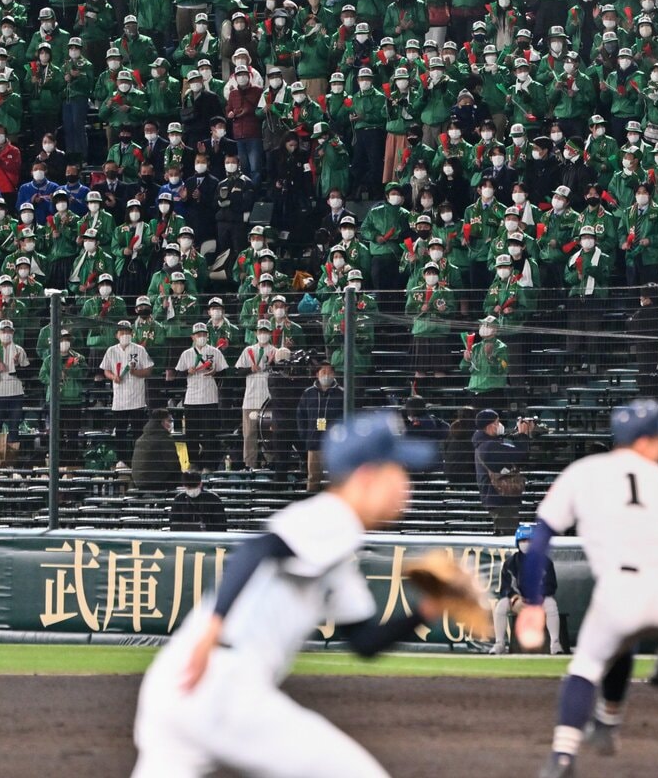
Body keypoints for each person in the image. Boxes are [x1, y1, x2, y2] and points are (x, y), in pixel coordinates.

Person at [131, 410, 446, 777]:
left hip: (174, 684)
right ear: (366, 477)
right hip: (221, 681)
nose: (407, 486)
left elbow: (364, 641)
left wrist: (429, 609)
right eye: (399, 471)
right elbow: (256, 549)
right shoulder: (330, 517)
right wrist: (216, 625)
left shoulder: (335, 547)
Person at [522, 400, 658, 778]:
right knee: (620, 642)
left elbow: (540, 539)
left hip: (623, 591)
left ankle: (562, 755)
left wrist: (532, 602)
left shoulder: (583, 472)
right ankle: (607, 723)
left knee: (587, 665)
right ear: (643, 442)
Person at [492, 523, 564, 655]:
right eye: (523, 540)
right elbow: (505, 588)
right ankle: (499, 643)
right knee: (501, 605)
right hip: (518, 602)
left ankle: (555, 643)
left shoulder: (546, 562)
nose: (526, 543)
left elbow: (551, 585)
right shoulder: (510, 563)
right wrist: (515, 599)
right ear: (517, 543)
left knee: (551, 604)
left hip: (539, 601)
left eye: (530, 540)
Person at [235, 319, 290, 470]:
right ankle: (249, 464)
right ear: (256, 333)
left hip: (269, 401)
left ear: (270, 333)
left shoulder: (276, 351)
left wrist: (272, 364)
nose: (263, 334)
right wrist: (249, 369)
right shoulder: (248, 351)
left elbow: (283, 373)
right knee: (249, 435)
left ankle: (270, 462)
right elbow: (238, 371)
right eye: (261, 331)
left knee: (270, 433)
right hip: (251, 399)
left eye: (266, 331)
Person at [174, 322, 229, 469]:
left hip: (210, 398)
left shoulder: (215, 352)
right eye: (199, 335)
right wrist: (188, 372)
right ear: (193, 337)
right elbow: (178, 376)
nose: (202, 337)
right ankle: (194, 462)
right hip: (191, 398)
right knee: (191, 435)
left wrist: (215, 371)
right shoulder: (186, 354)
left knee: (210, 434)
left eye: (204, 334)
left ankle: (209, 465)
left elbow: (224, 372)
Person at [100, 319, 156, 463]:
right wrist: (114, 377)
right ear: (116, 335)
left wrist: (137, 373)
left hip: (137, 399)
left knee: (138, 431)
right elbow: (106, 370)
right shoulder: (111, 351)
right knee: (120, 432)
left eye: (127, 332)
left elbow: (149, 369)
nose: (125, 334)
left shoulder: (139, 349)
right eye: (122, 332)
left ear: (132, 333)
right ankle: (122, 461)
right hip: (119, 400)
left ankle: (139, 460)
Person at [474, 408, 525, 534]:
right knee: (508, 538)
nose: (499, 425)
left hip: (496, 497)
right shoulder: (489, 446)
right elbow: (520, 455)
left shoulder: (485, 444)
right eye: (497, 422)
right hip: (500, 498)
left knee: (502, 537)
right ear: (490, 426)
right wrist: (523, 435)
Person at [296, 361, 343, 492]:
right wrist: (304, 435)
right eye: (323, 372)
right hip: (314, 442)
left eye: (329, 372)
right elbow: (301, 415)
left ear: (334, 374)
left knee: (335, 479)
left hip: (334, 444)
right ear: (317, 374)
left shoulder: (341, 393)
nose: (326, 375)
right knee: (313, 478)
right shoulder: (308, 393)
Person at [132, 408, 182, 494]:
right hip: (157, 481)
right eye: (169, 421)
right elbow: (173, 465)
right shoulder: (164, 439)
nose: (170, 424)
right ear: (162, 422)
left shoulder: (142, 438)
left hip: (139, 481)